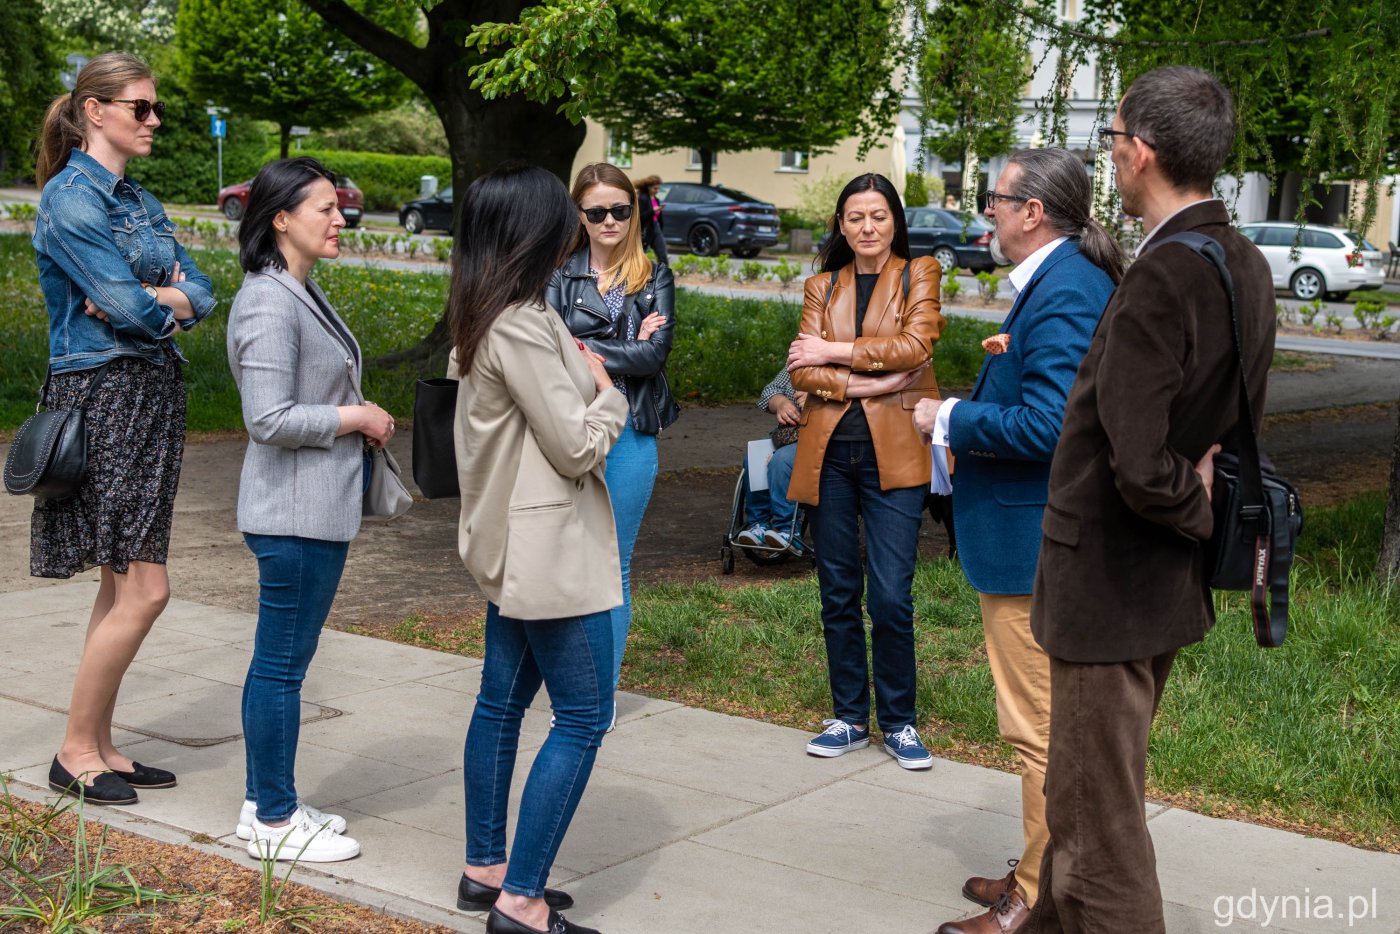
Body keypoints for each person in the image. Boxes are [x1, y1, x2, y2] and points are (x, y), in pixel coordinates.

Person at [1026, 67, 1275, 933]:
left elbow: (1137, 460)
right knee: (1079, 794)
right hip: (1160, 580)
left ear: (1140, 152)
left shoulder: (1165, 272)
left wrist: (1193, 500)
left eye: (1112, 139)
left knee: (1100, 827)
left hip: (1111, 585)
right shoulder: (1240, 259)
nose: (1111, 157)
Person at [912, 148, 1123, 934]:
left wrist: (952, 417)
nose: (987, 214)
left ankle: (1035, 901)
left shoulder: (1065, 290)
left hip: (1032, 544)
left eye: (994, 199)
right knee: (1042, 726)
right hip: (1029, 537)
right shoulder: (1059, 282)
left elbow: (1052, 427)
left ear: (1033, 211)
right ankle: (1039, 866)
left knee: (1035, 729)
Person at [31, 51, 216, 806]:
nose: (154, 120)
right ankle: (73, 749)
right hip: (103, 393)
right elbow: (134, 308)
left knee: (119, 584)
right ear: (94, 110)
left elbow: (200, 290)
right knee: (145, 587)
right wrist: (157, 299)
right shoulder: (69, 200)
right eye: (140, 107)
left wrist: (161, 299)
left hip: (149, 392)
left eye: (155, 108)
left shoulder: (136, 199)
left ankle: (100, 744)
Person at [453, 163, 626, 934]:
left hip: (517, 544)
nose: (575, 226)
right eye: (564, 215)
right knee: (585, 717)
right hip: (549, 551)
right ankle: (520, 901)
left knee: (502, 703)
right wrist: (610, 393)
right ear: (533, 229)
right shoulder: (519, 324)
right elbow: (575, 446)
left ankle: (486, 870)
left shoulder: (494, 309)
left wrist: (586, 378)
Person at [226, 157, 394, 863]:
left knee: (285, 664)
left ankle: (269, 798)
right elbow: (267, 418)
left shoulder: (300, 290)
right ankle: (271, 819)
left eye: (338, 206)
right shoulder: (268, 299)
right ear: (280, 219)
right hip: (290, 513)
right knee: (281, 668)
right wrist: (354, 417)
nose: (338, 218)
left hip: (313, 510)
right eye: (323, 207)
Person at [786, 173, 945, 769]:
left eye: (878, 216)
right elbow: (801, 373)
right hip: (829, 454)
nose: (868, 227)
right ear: (841, 225)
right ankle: (850, 717)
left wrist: (832, 352)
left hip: (896, 454)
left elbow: (916, 347)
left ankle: (900, 722)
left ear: (894, 221)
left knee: (889, 595)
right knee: (837, 591)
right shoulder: (822, 286)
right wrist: (868, 381)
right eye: (855, 217)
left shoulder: (919, 273)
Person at [545, 162, 678, 720]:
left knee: (613, 567)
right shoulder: (557, 272)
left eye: (620, 211)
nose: (608, 221)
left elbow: (654, 357)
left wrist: (585, 345)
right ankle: (568, 689)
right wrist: (618, 344)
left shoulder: (654, 275)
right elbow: (546, 351)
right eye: (596, 211)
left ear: (634, 213)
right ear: (579, 213)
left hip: (629, 435)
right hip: (567, 433)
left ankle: (598, 697)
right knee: (561, 563)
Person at [735, 367, 806, 552]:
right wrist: (780, 402)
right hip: (789, 433)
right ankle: (759, 524)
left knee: (781, 461)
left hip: (821, 437)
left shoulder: (836, 358)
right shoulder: (798, 360)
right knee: (755, 456)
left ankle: (788, 529)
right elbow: (770, 390)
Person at [632, 174, 669, 264]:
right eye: (655, 188)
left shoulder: (656, 199)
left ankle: (664, 276)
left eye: (658, 188)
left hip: (655, 228)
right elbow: (639, 217)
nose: (657, 191)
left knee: (662, 256)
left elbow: (658, 218)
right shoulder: (642, 199)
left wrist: (660, 228)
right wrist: (653, 211)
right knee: (638, 257)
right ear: (648, 187)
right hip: (645, 231)